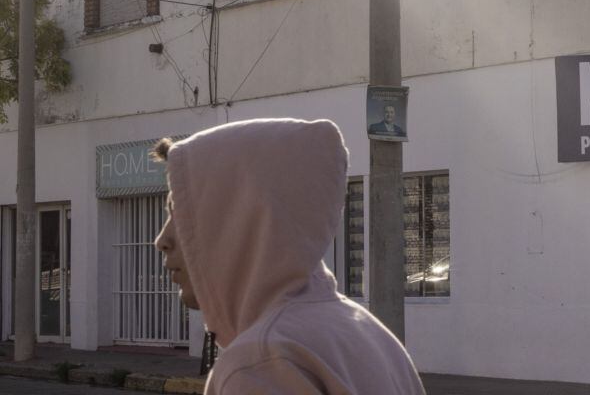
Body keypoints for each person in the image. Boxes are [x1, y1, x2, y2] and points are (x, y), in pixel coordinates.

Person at [153, 117, 426, 394]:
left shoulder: (260, 364)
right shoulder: (372, 335)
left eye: (179, 212)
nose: (161, 240)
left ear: (240, 215)